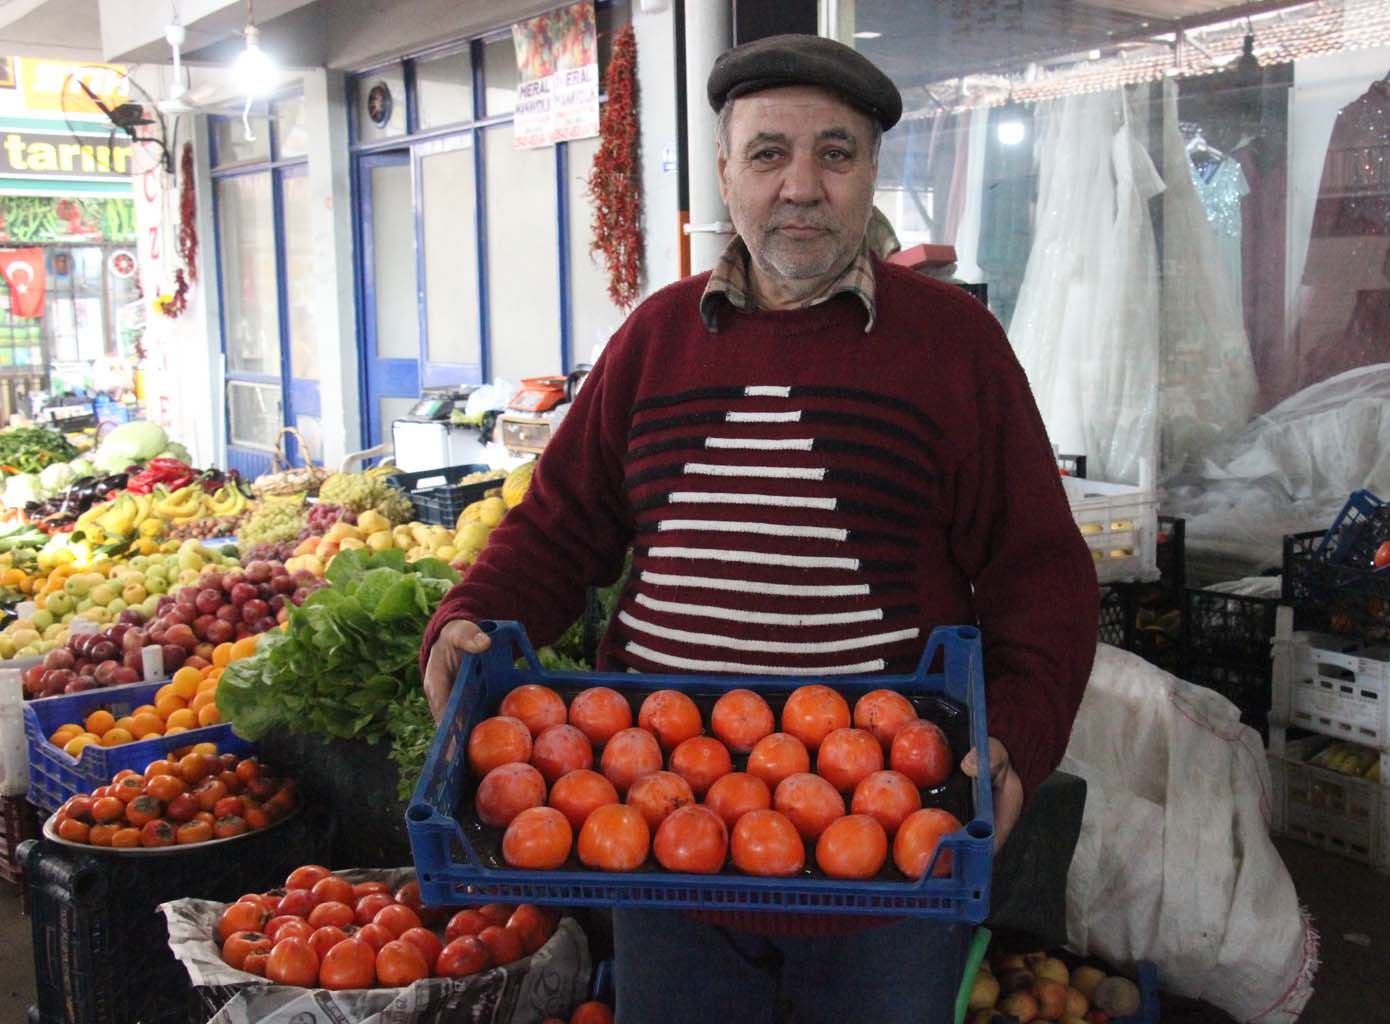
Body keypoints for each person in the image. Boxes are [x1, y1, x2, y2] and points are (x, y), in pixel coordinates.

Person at [420, 33, 1098, 1023]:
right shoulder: (655, 340)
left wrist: (1019, 740)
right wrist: (472, 614)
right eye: (769, 153)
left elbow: (1042, 570)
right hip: (654, 834)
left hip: (889, 849)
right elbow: (562, 524)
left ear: (871, 171)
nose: (802, 186)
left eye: (836, 152)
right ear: (727, 172)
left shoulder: (957, 348)